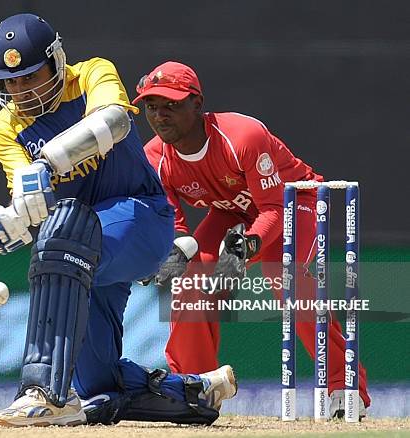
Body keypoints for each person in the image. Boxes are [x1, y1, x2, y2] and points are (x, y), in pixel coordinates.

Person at [0, 14, 237, 427]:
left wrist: (46, 162)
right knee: (98, 387)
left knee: (61, 236)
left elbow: (113, 121)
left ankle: (43, 391)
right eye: (12, 82)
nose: (21, 91)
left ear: (56, 61)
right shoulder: (4, 128)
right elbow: (31, 199)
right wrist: (12, 222)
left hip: (142, 217)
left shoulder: (92, 73)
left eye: (30, 76)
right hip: (83, 255)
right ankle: (195, 393)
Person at [133, 61, 370, 418]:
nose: (160, 116)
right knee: (191, 280)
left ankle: (344, 386)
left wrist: (249, 245)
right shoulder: (155, 156)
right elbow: (176, 228)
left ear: (197, 104)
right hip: (232, 212)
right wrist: (171, 252)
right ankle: (195, 389)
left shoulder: (242, 135)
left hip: (296, 201)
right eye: (152, 107)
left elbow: (273, 209)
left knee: (292, 282)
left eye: (172, 105)